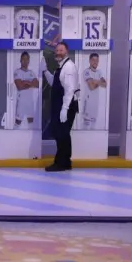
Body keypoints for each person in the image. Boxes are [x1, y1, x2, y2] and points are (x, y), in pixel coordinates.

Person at [46, 41, 79, 172]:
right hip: (61, 105)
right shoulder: (60, 67)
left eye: (61, 50)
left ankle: (60, 163)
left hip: (67, 106)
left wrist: (64, 109)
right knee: (63, 134)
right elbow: (54, 83)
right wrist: (45, 71)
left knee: (62, 135)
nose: (58, 52)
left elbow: (70, 90)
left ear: (67, 52)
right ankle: (65, 162)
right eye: (57, 50)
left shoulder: (68, 67)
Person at [80, 52, 107, 129]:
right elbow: (91, 87)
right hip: (87, 103)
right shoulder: (86, 72)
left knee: (93, 128)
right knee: (85, 127)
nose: (95, 62)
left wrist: (95, 81)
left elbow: (105, 84)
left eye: (97, 60)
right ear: (89, 61)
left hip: (95, 104)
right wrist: (99, 82)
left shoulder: (99, 72)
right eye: (93, 60)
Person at [14, 52, 41, 128]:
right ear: (20, 60)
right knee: (18, 123)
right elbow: (19, 86)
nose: (25, 61)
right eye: (23, 59)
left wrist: (26, 82)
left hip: (30, 102)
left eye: (27, 59)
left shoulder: (31, 73)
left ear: (29, 61)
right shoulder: (17, 72)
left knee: (31, 123)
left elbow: (38, 85)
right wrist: (31, 83)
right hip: (21, 102)